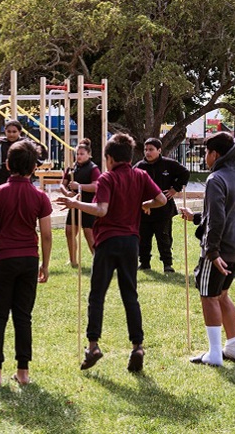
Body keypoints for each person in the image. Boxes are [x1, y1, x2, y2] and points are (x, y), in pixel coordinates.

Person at [57, 132, 166, 373]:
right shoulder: (141, 175)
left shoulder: (107, 178)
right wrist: (146, 204)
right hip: (130, 243)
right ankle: (137, 346)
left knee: (97, 295)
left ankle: (93, 345)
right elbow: (161, 199)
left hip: (107, 242)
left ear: (109, 158)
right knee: (130, 296)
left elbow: (101, 209)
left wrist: (75, 204)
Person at [0, 140, 52, 386]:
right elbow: (46, 235)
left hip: (3, 259)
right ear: (33, 168)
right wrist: (45, 265)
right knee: (23, 316)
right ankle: (23, 372)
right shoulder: (40, 196)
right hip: (28, 260)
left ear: (7, 164)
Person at [179, 132, 235, 366]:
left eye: (206, 152)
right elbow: (228, 213)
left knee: (208, 296)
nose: (205, 157)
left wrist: (212, 251)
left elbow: (218, 219)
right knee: (222, 295)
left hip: (220, 250)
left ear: (215, 154)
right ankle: (234, 347)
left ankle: (215, 353)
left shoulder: (216, 178)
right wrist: (197, 217)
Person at [134, 138, 190, 273]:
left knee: (164, 237)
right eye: (146, 150)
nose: (148, 152)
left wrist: (175, 189)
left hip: (164, 209)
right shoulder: (139, 167)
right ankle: (145, 263)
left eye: (151, 149)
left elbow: (185, 173)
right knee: (143, 238)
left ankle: (167, 264)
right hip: (144, 209)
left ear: (159, 150)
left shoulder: (169, 164)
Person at [59, 139, 100, 267]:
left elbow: (96, 186)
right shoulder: (71, 168)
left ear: (89, 155)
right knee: (70, 231)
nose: (79, 156)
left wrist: (79, 186)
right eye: (77, 154)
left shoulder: (93, 168)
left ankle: (97, 260)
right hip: (73, 204)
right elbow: (62, 184)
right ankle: (73, 260)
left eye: (82, 154)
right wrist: (67, 193)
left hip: (88, 204)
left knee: (89, 233)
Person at [0, 120, 47, 186]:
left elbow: (41, 155)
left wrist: (33, 164)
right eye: (9, 131)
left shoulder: (27, 144)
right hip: (3, 182)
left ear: (19, 132)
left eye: (14, 132)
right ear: (5, 131)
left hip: (24, 183)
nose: (11, 134)